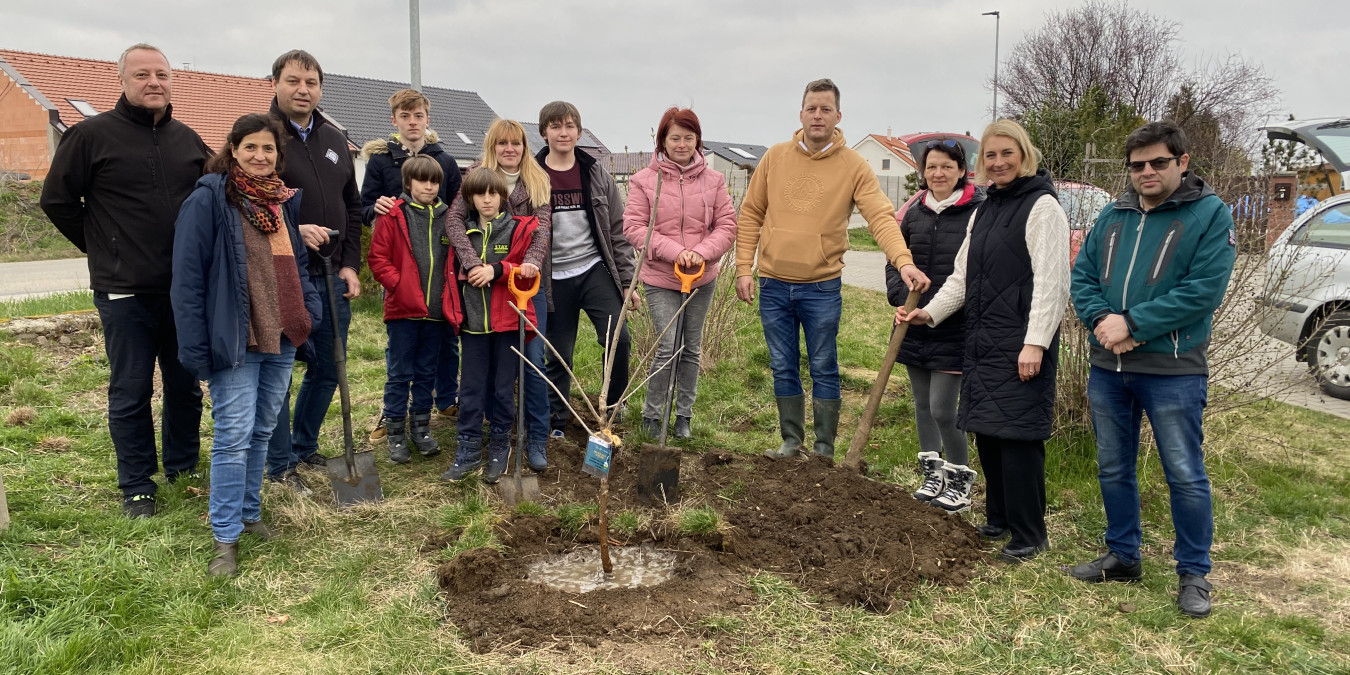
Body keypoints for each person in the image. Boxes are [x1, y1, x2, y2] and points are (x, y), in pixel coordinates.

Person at [1068, 121, 1236, 619]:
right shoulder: (1113, 214)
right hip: (1108, 367)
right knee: (1113, 465)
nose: (1146, 172)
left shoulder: (1209, 214)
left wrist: (1135, 325)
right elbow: (1083, 276)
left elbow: (1203, 290)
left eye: (1158, 162)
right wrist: (1101, 320)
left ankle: (1194, 573)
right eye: (1137, 165)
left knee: (1183, 473)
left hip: (1173, 370)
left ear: (1182, 163)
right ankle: (1123, 555)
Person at [39, 43, 210, 518]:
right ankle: (137, 485)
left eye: (162, 74)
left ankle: (182, 465)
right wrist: (105, 248)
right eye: (142, 74)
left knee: (184, 385)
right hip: (124, 291)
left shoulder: (188, 139)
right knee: (131, 388)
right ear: (123, 80)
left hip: (182, 290)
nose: (153, 82)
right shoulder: (90, 136)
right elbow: (56, 201)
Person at [897, 119, 1070, 563]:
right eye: (990, 156)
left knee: (1017, 437)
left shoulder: (1042, 206)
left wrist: (1036, 342)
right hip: (983, 336)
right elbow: (961, 276)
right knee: (989, 433)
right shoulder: (988, 207)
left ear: (1024, 155)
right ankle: (999, 519)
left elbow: (1053, 282)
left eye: (1006, 154)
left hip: (1020, 340)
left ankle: (1030, 534)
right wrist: (928, 314)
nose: (998, 163)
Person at [735, 78, 929, 460]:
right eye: (812, 108)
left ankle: (823, 449)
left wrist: (902, 260)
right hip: (773, 283)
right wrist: (744, 268)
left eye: (826, 109)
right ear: (801, 114)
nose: (818, 115)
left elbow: (880, 217)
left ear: (838, 116)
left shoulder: (853, 166)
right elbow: (750, 214)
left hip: (821, 287)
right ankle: (791, 442)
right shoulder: (774, 158)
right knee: (781, 365)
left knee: (824, 365)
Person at [171, 113, 322, 576]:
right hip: (236, 338)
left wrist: (309, 311)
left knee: (260, 430)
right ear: (233, 149)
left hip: (281, 335)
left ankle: (250, 515)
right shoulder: (210, 199)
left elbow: (296, 264)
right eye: (251, 147)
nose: (260, 156)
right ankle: (225, 537)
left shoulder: (280, 203)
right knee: (233, 437)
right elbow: (188, 278)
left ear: (279, 154)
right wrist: (196, 348)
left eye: (269, 149)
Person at [265, 49, 364, 495]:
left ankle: (304, 446)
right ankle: (279, 462)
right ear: (275, 84)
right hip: (281, 277)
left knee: (329, 367)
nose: (302, 90)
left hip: (330, 273)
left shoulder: (335, 137)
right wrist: (291, 225)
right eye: (293, 81)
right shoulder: (262, 137)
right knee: (281, 371)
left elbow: (354, 206)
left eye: (311, 82)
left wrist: (350, 264)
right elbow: (247, 199)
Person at [444, 119, 553, 469]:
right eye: (503, 143)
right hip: (480, 288)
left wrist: (529, 264)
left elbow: (542, 228)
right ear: (492, 144)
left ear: (524, 146)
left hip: (522, 283)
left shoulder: (537, 179)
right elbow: (453, 220)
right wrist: (472, 262)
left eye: (517, 143)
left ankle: (536, 437)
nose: (510, 149)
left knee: (531, 362)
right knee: (482, 373)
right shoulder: (476, 177)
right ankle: (489, 438)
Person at [623, 107, 736, 439]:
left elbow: (727, 225)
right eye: (675, 138)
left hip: (702, 277)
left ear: (698, 140)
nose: (682, 144)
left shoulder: (714, 181)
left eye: (689, 137)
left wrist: (700, 253)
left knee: (691, 346)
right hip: (660, 277)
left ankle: (683, 416)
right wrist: (676, 252)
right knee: (667, 344)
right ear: (663, 140)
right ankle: (652, 415)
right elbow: (633, 227)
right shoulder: (645, 181)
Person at [884, 140, 984, 511]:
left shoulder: (978, 211)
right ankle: (933, 473)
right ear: (922, 173)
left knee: (944, 407)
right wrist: (899, 299)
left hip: (954, 324)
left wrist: (940, 308)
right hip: (911, 321)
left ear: (961, 170)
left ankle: (960, 478)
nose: (938, 174)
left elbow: (975, 272)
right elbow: (896, 261)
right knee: (922, 405)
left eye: (946, 167)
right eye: (931, 168)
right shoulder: (914, 211)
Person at [360, 89, 463, 428]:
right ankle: (391, 415)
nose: (412, 122)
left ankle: (445, 401)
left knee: (444, 345)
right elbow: (363, 207)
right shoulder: (380, 160)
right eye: (405, 117)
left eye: (418, 116)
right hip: (402, 264)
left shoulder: (445, 161)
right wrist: (374, 209)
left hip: (438, 271)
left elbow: (457, 212)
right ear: (394, 120)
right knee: (400, 356)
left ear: (427, 119)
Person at [536, 101, 636, 434]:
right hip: (553, 279)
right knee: (558, 354)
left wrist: (626, 282)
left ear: (579, 132)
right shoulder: (532, 176)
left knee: (618, 339)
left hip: (593, 270)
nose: (563, 132)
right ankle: (556, 420)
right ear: (544, 132)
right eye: (555, 126)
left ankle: (615, 404)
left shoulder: (596, 174)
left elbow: (617, 232)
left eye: (569, 126)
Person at [367, 155, 452, 464]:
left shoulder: (447, 217)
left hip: (436, 313)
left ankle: (421, 428)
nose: (428, 187)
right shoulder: (394, 214)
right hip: (403, 310)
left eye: (433, 181)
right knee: (400, 373)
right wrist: (399, 285)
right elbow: (378, 258)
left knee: (426, 372)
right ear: (408, 183)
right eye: (421, 181)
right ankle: (395, 432)